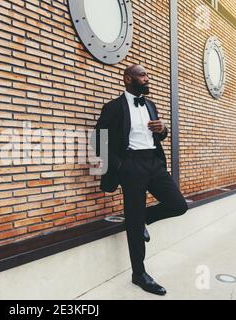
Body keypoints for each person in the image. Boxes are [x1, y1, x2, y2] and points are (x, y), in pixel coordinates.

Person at [92, 64, 189, 296]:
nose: (147, 78)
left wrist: (163, 129)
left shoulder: (150, 105)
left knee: (178, 205)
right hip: (130, 166)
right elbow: (98, 139)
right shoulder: (114, 107)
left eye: (147, 74)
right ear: (128, 79)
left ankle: (142, 219)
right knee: (133, 223)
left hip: (154, 163)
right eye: (142, 75)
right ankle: (139, 274)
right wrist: (119, 166)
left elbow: (159, 136)